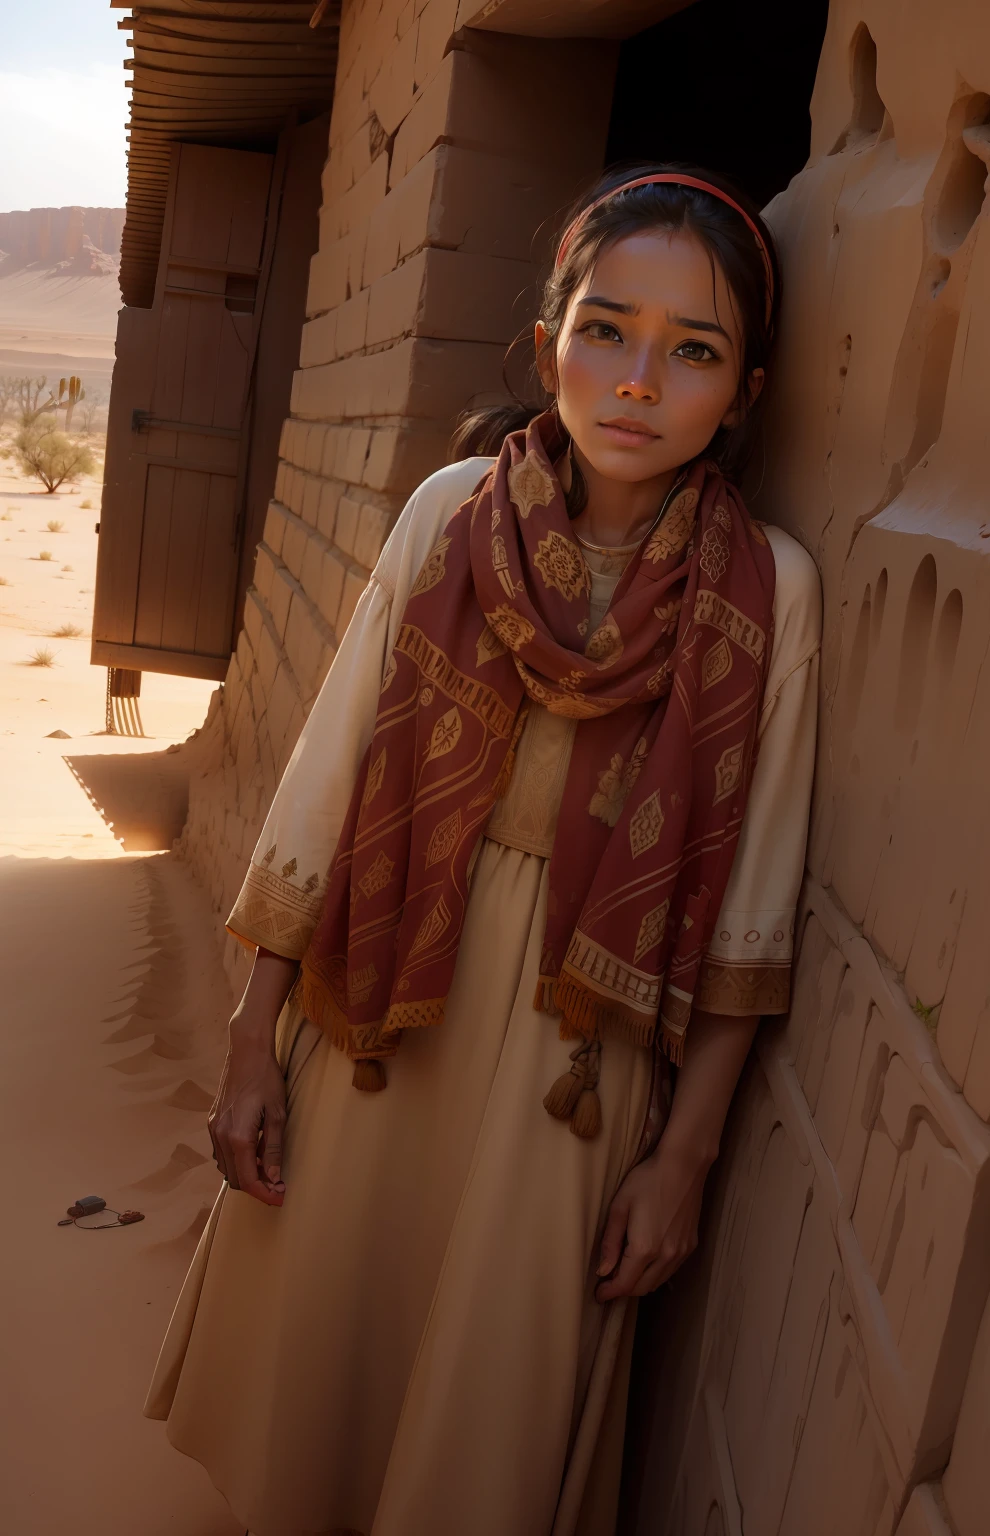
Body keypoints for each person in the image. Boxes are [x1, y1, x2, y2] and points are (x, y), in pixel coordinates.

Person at [145, 164, 821, 1536]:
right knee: (324, 1356)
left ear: (747, 390)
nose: (639, 381)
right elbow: (326, 784)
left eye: (694, 353)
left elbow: (753, 912)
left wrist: (680, 1163)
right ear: (548, 345)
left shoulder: (771, 592)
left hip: (581, 1044)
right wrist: (251, 1042)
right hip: (383, 998)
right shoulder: (451, 512)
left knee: (487, 1406)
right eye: (606, 331)